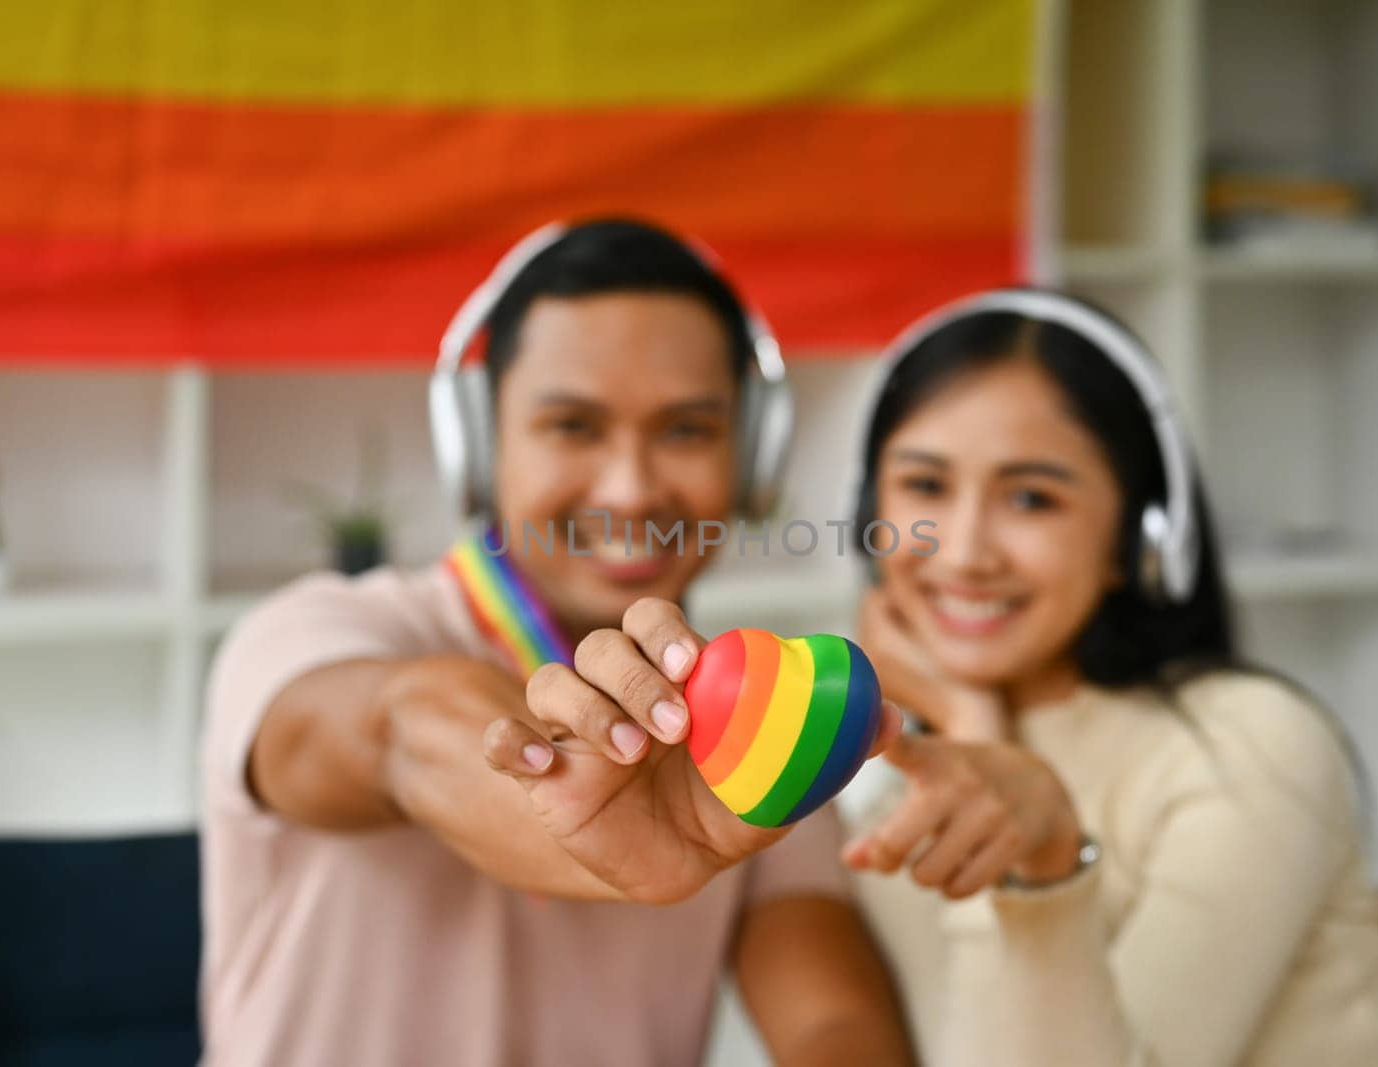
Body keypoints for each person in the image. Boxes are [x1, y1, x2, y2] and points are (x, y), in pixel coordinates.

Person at [198, 218, 913, 1066]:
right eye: (573, 426)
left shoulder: (760, 722)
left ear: (751, 459)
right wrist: (567, 816)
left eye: (687, 429)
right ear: (479, 446)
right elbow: (403, 730)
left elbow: (831, 1023)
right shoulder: (310, 633)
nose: (630, 487)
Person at [837, 289, 1378, 1066]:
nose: (962, 552)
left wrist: (973, 732)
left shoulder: (1249, 744)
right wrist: (966, 727)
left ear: (1141, 538)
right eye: (925, 486)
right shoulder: (887, 790)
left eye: (1031, 497)